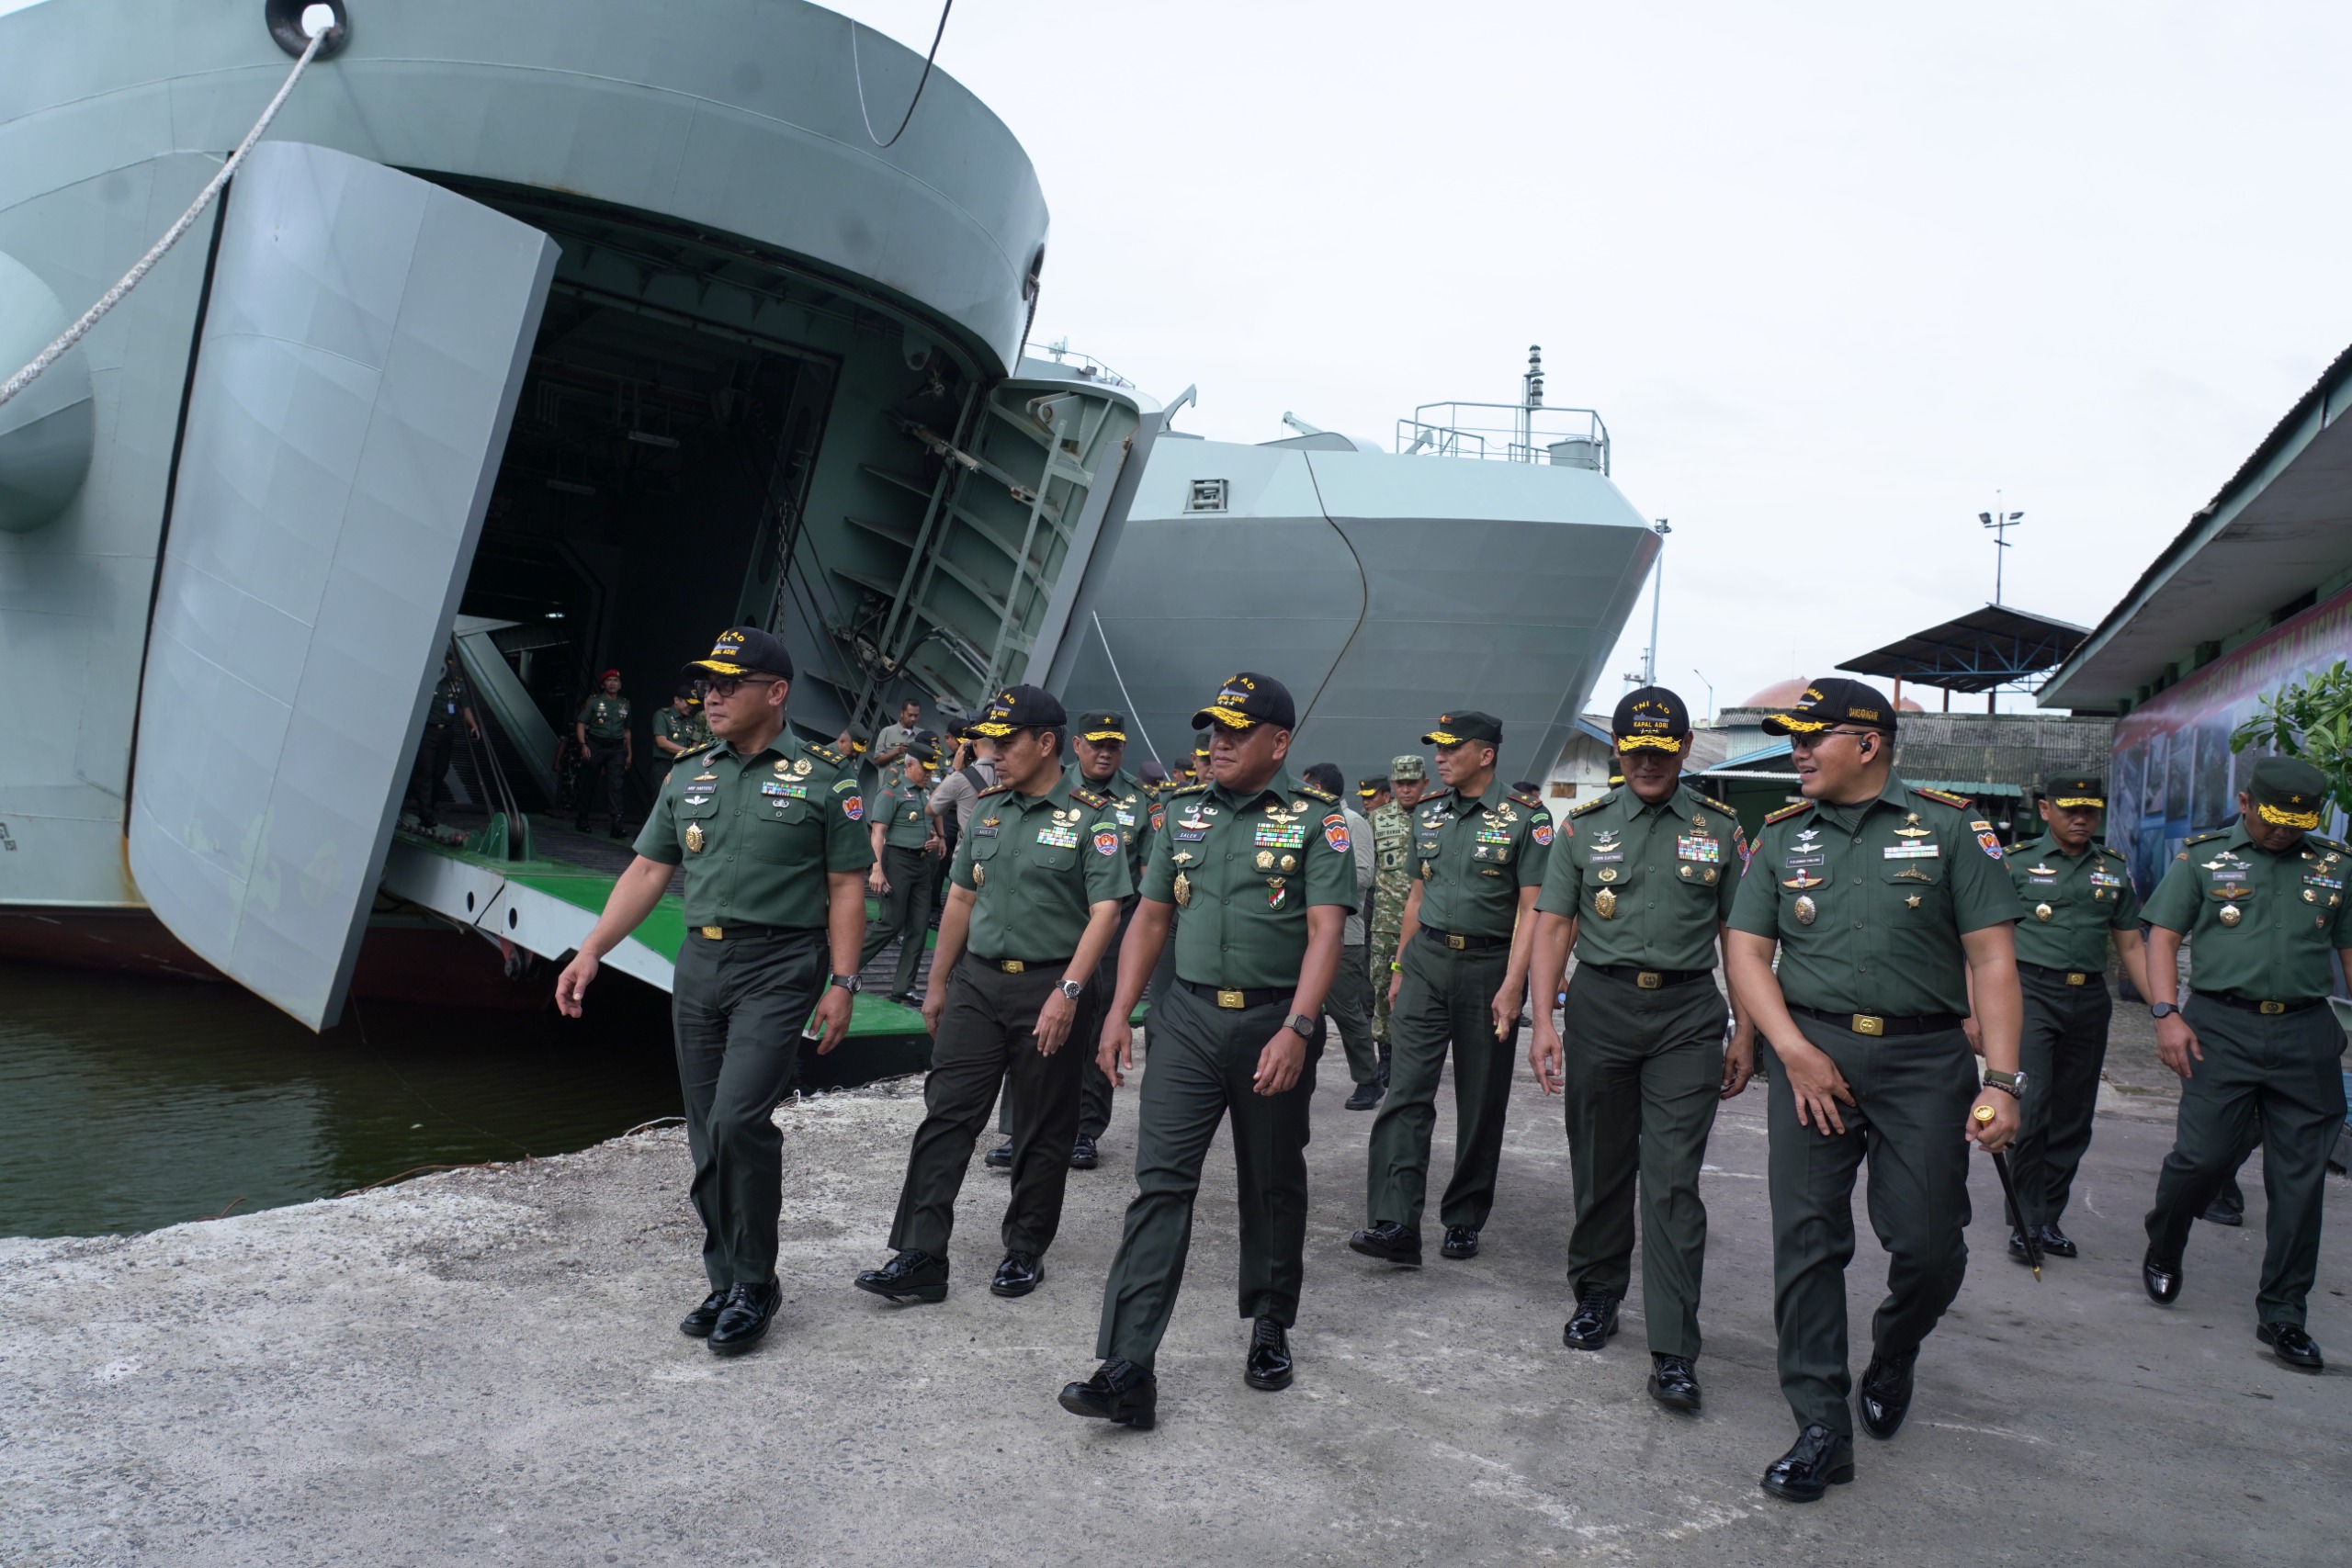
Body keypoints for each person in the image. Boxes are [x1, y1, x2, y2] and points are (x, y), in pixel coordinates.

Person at [1722, 677, 2021, 1503]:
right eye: (1793, 737)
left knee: (1928, 1245)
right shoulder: (1780, 836)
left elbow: (1994, 959)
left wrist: (2002, 1079)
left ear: (1870, 742)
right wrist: (1790, 1048)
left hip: (1925, 1060)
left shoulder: (1953, 826)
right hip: (1809, 1056)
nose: (1799, 751)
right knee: (1808, 1239)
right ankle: (1820, 1421)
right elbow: (1747, 950)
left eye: (1812, 737)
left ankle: (1894, 1348)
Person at [554, 626, 870, 1357]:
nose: (713, 694)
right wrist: (592, 949)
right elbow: (646, 872)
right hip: (699, 964)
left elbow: (847, 886)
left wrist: (845, 982)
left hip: (781, 963)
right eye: (708, 682)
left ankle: (756, 1282)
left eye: (730, 683)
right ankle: (725, 1274)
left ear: (777, 692)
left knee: (737, 1120)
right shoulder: (688, 774)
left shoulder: (826, 778)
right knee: (703, 1128)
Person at [1058, 673, 1351, 1428]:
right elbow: (1151, 917)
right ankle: (1127, 1365)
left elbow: (1327, 932)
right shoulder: (1179, 813)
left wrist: (1300, 1025)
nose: (1216, 742)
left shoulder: (1319, 823)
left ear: (1278, 742)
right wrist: (1120, 1011)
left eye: (1236, 730)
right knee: (1159, 1185)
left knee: (1271, 1179)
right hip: (1185, 1016)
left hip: (1270, 1022)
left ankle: (1269, 1322)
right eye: (1212, 729)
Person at [854, 687, 1130, 1306]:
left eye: (1005, 742)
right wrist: (936, 982)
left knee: (1042, 1123)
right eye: (988, 741)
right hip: (977, 980)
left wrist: (1068, 991)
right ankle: (920, 1254)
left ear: (1046, 743)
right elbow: (961, 899)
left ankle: (1025, 1247)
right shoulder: (987, 810)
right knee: (947, 1111)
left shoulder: (1092, 817)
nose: (992, 753)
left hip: (1050, 983)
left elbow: (1106, 911)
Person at [1527, 686, 1753, 1415]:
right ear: (1619, 750)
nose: (1649, 760)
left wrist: (1744, 1026)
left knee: (1671, 1181)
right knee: (1599, 1161)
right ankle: (1596, 1293)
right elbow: (1554, 927)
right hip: (1600, 1006)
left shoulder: (1721, 829)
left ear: (1686, 749)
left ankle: (1674, 1347)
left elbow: (1739, 939)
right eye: (1636, 748)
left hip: (1688, 1013)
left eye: (1663, 748)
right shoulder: (1581, 828)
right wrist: (1543, 1020)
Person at [2138, 755, 2352, 1373]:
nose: (2285, 832)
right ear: (2245, 801)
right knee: (2201, 1158)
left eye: (2298, 822)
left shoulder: (2335, 866)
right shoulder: (2203, 858)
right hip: (2220, 1028)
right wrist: (2165, 1012)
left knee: (2299, 1181)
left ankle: (2284, 1312)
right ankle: (2166, 1242)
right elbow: (2163, 936)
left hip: (2307, 1031)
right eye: (2275, 820)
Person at [1352, 713, 1549, 1268]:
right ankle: (1395, 1221)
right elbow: (1416, 895)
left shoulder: (1525, 820)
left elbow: (1533, 908)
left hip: (1489, 968)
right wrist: (1397, 967)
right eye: (1436, 748)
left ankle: (1463, 1217)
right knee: (1406, 1092)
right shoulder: (1430, 814)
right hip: (1425, 965)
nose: (1439, 757)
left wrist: (1516, 986)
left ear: (1484, 754)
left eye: (1450, 747)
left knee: (1481, 1100)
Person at [1995, 773, 2151, 1264]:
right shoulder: (2015, 864)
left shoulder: (2113, 869)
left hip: (2089, 1000)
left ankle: (2048, 1218)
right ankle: (2024, 1219)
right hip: (2029, 993)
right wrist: (1974, 1010)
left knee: (2073, 1115)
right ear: (2045, 810)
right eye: (2069, 810)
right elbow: (1983, 939)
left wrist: (2164, 1010)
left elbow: (2129, 943)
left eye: (2090, 810)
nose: (2081, 819)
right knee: (2032, 1105)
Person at [1061, 711, 1155, 1168]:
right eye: (1096, 744)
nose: (1104, 753)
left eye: (1113, 745)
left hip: (1113, 930)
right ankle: (1021, 1131)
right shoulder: (1049, 789)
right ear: (1077, 745)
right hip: (1053, 925)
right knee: (1029, 1030)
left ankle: (1085, 1131)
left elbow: (1152, 879)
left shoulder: (1139, 803)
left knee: (1099, 1029)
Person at [1304, 762, 1382, 1109]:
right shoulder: (1311, 822)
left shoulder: (1354, 824)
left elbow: (1364, 874)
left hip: (1343, 936)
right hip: (1306, 933)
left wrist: (1318, 873)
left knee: (1345, 1010)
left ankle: (1369, 1080)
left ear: (1319, 787)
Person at [860, 747, 944, 1005]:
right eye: (925, 769)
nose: (929, 774)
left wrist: (937, 839)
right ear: (909, 766)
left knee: (918, 927)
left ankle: (903, 987)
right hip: (896, 861)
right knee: (891, 922)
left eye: (932, 769)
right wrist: (876, 869)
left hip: (922, 864)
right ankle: (846, 968)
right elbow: (878, 832)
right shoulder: (892, 791)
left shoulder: (927, 792)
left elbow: (931, 819)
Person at [1369, 753, 1431, 1065]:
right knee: (1382, 988)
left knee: (1423, 991)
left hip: (1428, 924)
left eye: (1412, 783)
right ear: (1392, 785)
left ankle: (1415, 1055)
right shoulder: (1378, 819)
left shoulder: (1437, 816)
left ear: (1425, 782)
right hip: (1386, 923)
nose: (1406, 789)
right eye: (1400, 783)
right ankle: (1387, 1059)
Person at [408, 650, 479, 829]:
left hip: (447, 733)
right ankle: (426, 814)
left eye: (450, 661)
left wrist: (473, 725)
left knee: (440, 773)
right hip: (428, 731)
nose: (449, 664)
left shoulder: (456, 685)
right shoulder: (427, 681)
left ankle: (429, 808)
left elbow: (464, 707)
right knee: (425, 773)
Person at [573, 670, 633, 837]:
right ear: (603, 684)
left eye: (616, 680)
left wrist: (629, 753)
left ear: (620, 685)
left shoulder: (625, 704)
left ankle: (616, 823)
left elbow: (627, 730)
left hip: (616, 748)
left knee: (616, 785)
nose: (613, 683)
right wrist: (583, 745)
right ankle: (582, 817)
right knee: (589, 782)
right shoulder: (594, 702)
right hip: (595, 744)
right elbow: (581, 723)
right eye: (609, 680)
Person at [652, 683, 709, 761]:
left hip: (684, 763)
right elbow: (661, 742)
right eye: (688, 703)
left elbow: (695, 742)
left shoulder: (690, 720)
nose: (691, 707)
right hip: (665, 763)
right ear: (676, 700)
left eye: (693, 705)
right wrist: (689, 752)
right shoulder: (662, 715)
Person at [873, 697, 925, 769]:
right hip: (889, 779)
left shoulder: (923, 735)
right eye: (910, 715)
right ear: (901, 713)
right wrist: (898, 751)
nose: (913, 719)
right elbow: (877, 761)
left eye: (916, 716)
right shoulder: (887, 732)